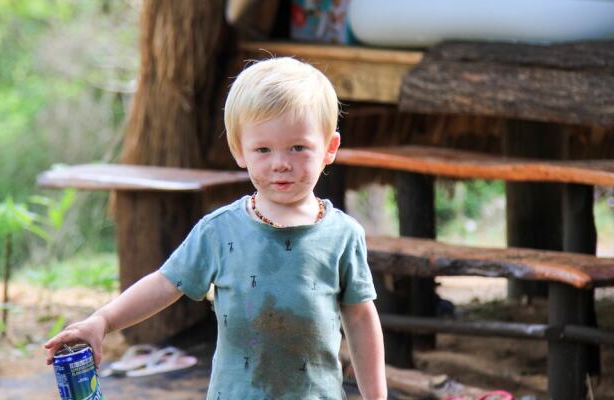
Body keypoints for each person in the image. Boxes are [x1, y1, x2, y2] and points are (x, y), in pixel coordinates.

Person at [45, 57, 387, 400]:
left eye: (298, 147)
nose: (280, 163)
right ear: (240, 151)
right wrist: (103, 321)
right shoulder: (220, 231)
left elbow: (359, 319)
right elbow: (166, 283)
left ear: (329, 148)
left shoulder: (343, 235)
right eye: (263, 149)